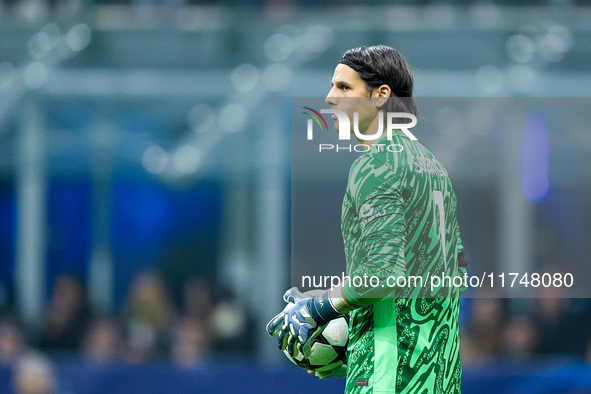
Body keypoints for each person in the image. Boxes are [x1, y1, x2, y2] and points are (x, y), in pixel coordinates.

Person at [267, 45, 468, 393]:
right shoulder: (433, 166)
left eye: (344, 88)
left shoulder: (376, 165)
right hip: (440, 371)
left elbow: (381, 276)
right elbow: (457, 271)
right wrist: (356, 319)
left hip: (388, 371)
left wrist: (317, 309)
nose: (329, 98)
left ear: (381, 96)